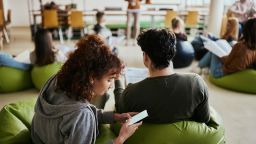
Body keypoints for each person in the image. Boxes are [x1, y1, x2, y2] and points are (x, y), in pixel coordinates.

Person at [31, 35, 142, 144]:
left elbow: (73, 114)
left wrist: (114, 116)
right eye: (109, 79)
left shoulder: (56, 79)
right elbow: (79, 115)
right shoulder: (82, 115)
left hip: (38, 137)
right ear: (91, 77)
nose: (112, 85)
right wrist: (121, 138)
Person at [115, 28, 210, 124]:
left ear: (146, 57)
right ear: (172, 53)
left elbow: (120, 111)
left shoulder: (131, 93)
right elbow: (204, 120)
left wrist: (117, 79)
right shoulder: (196, 83)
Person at [0, 29, 70, 70]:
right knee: (64, 48)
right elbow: (66, 63)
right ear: (50, 41)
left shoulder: (32, 55)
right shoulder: (57, 54)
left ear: (36, 42)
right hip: (60, 57)